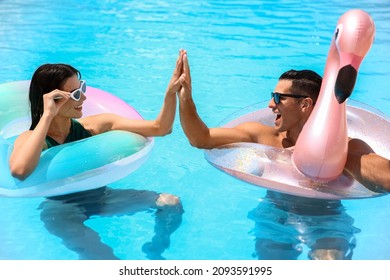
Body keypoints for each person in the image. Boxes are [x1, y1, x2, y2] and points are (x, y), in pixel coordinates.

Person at [9, 50, 187, 260]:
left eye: (82, 88)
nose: (84, 97)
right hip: (62, 210)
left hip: (102, 197)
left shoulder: (96, 125)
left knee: (171, 203)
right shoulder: (30, 139)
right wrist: (47, 115)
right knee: (105, 259)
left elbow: (161, 128)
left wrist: (170, 93)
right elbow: (19, 171)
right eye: (75, 94)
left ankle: (156, 249)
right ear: (53, 100)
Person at [176, 53, 390, 192]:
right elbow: (200, 138)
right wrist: (186, 98)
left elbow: (386, 180)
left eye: (279, 98)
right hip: (274, 216)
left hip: (325, 218)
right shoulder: (262, 136)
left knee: (329, 255)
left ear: (305, 104)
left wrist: (329, 156)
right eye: (272, 95)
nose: (270, 104)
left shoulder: (344, 146)